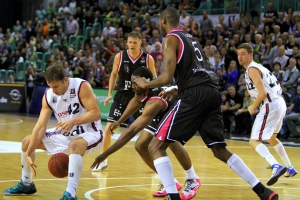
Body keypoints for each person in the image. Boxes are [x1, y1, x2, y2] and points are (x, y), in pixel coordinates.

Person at [133, 8, 279, 200]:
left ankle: (172, 196)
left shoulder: (170, 38)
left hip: (194, 94)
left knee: (155, 147)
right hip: (211, 91)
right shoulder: (191, 38)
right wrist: (180, 87)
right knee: (219, 149)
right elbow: (197, 70)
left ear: (162, 21)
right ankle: (262, 190)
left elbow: (166, 76)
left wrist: (146, 83)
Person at [91, 67, 201, 199]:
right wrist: (120, 120)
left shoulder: (155, 100)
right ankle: (169, 182)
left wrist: (105, 154)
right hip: (161, 116)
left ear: (146, 81)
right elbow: (136, 101)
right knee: (141, 145)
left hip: (179, 112)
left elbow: (131, 132)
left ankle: (192, 178)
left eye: (135, 83)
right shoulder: (143, 90)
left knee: (169, 141)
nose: (133, 86)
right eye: (132, 82)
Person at [3, 64, 104, 200]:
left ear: (65, 80)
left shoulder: (81, 87)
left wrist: (73, 121)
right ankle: (26, 183)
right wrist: (28, 152)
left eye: (56, 86)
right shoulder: (49, 96)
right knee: (27, 142)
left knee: (73, 145)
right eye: (51, 86)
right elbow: (40, 126)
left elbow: (96, 114)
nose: (54, 90)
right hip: (66, 134)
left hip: (90, 132)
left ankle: (70, 194)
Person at [91, 32, 156, 171]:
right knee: (108, 128)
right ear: (126, 42)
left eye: (135, 42)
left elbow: (154, 78)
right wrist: (109, 94)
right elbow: (114, 74)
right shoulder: (119, 56)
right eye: (130, 42)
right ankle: (103, 159)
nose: (132, 45)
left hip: (139, 98)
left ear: (140, 43)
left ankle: (155, 160)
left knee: (149, 130)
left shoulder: (148, 58)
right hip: (121, 96)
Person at [237, 43, 297, 186]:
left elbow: (263, 93)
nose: (240, 57)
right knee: (271, 138)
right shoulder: (259, 67)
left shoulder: (252, 69)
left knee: (253, 141)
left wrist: (253, 105)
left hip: (271, 104)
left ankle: (275, 165)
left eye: (243, 54)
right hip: (279, 102)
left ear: (251, 55)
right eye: (238, 54)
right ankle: (290, 167)